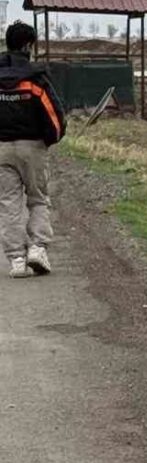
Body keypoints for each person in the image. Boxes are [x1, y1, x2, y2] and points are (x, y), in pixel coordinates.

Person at [0, 22, 66, 279]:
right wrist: (50, 140)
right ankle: (38, 248)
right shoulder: (35, 79)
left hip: (1, 150)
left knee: (8, 204)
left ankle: (17, 260)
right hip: (33, 148)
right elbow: (55, 118)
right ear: (29, 45)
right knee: (38, 199)